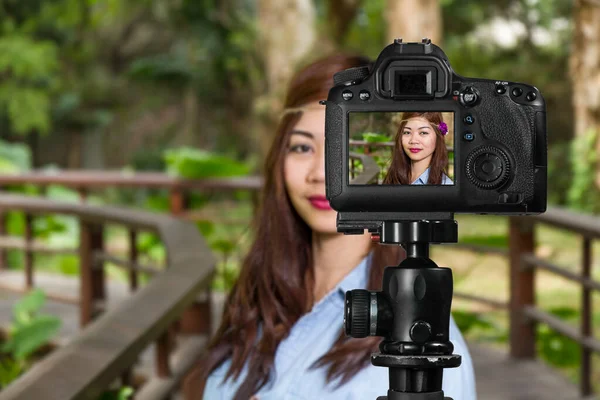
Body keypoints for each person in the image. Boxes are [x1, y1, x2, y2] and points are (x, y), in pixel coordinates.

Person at [195, 55, 476, 400]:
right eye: (301, 147)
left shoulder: (423, 341)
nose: (320, 173)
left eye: (343, 149)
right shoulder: (262, 297)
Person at [383, 112, 453, 185]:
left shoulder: (446, 185)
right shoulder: (393, 177)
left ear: (438, 136)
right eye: (407, 132)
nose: (413, 140)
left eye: (423, 133)